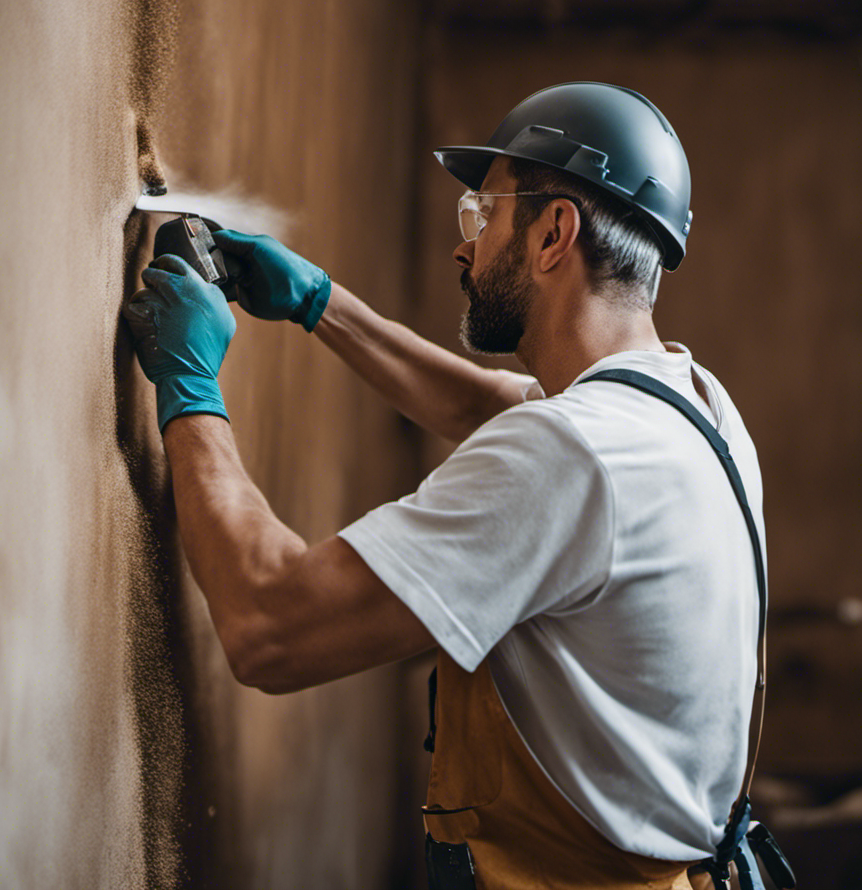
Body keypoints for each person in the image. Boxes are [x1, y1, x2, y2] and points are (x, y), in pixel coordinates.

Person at [123, 83, 769, 890]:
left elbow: (270, 623)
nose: (464, 248)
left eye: (483, 215)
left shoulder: (573, 456)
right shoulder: (695, 408)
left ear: (553, 233)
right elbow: (482, 404)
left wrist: (190, 391)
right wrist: (320, 304)